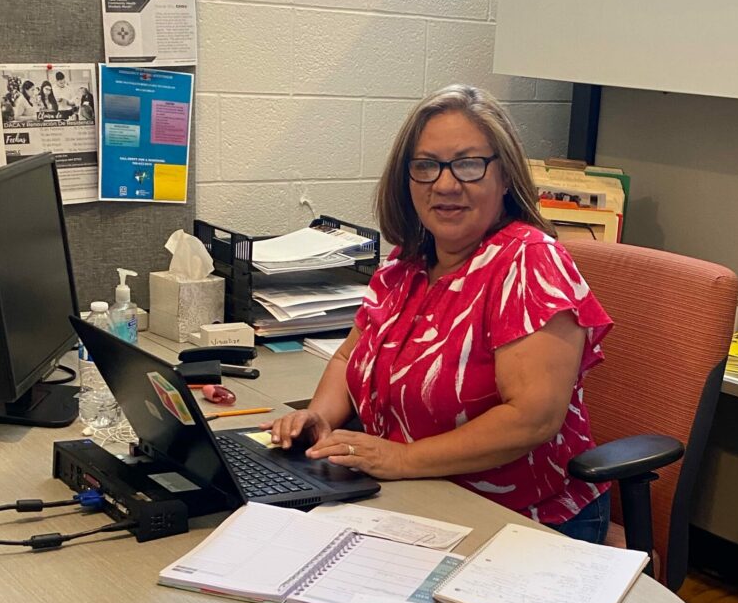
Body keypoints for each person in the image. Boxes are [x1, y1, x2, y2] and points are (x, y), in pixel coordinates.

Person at [262, 84, 615, 543]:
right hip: (414, 496)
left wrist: (402, 459)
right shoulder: (404, 263)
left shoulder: (528, 263)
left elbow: (532, 418)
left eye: (469, 164)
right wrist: (320, 418)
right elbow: (350, 357)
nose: (445, 185)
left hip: (522, 517)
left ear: (505, 176)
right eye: (426, 166)